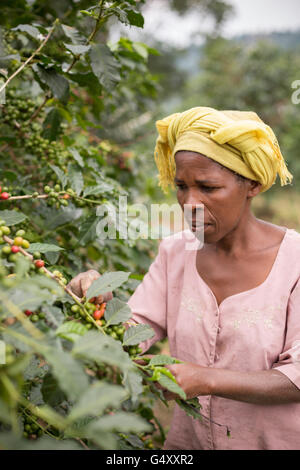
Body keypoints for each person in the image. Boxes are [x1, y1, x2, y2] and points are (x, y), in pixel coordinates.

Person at [67, 107, 300, 450]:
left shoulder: (294, 262)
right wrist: (96, 298)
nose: (191, 203)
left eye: (208, 187)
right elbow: (133, 333)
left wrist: (207, 379)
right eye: (181, 187)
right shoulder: (175, 253)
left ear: (252, 184)